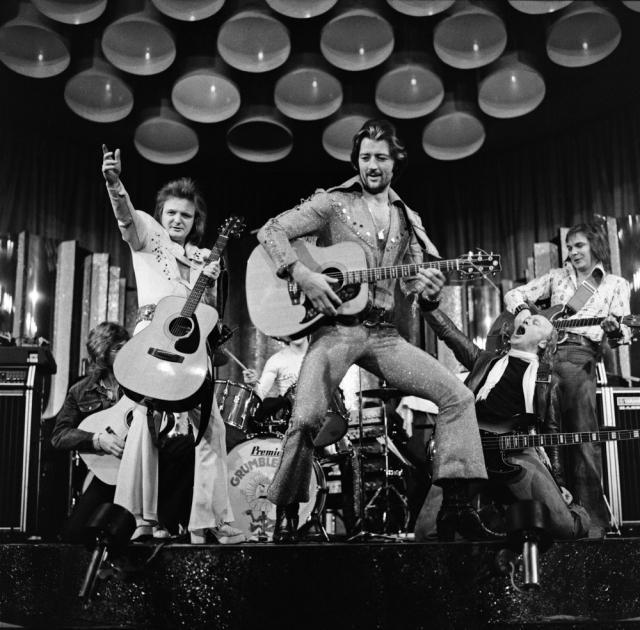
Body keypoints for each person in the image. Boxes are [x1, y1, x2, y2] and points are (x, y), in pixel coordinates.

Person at [256, 118, 491, 542]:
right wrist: (303, 275)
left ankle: (455, 510)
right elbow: (271, 231)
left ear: (395, 162)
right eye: (365, 157)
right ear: (357, 161)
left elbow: (416, 288)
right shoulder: (332, 203)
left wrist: (430, 292)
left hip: (384, 336)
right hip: (336, 331)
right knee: (306, 417)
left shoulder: (408, 219)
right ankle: (287, 513)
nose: (372, 165)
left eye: (381, 157)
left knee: (458, 396)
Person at [101, 146, 244, 544]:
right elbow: (125, 217)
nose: (178, 219)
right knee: (144, 425)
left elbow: (207, 317)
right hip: (151, 341)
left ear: (196, 221)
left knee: (211, 425)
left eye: (186, 214)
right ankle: (140, 519)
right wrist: (114, 183)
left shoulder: (202, 259)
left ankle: (205, 522)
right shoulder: (147, 238)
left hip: (187, 352)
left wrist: (212, 279)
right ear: (160, 214)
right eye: (172, 212)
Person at [415, 308, 591, 540]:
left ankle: (579, 515)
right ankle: (484, 535)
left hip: (517, 452)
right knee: (426, 532)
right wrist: (428, 304)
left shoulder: (548, 380)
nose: (528, 319)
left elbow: (551, 432)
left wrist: (558, 483)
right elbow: (449, 333)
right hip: (470, 452)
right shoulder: (484, 360)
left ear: (543, 342)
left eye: (536, 322)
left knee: (565, 527)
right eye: (527, 318)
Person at [504, 222, 631, 538]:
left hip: (579, 356)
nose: (572, 252)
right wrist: (523, 312)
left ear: (595, 246)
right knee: (535, 434)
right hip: (543, 355)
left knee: (582, 436)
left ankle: (593, 521)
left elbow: (623, 334)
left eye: (579, 245)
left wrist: (616, 330)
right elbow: (514, 294)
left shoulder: (615, 284)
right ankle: (547, 515)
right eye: (569, 247)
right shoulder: (555, 277)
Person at [51, 322, 194, 541]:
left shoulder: (141, 380)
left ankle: (164, 522)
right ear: (101, 355)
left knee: (189, 447)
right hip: (111, 472)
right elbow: (59, 436)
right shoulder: (80, 391)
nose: (125, 351)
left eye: (127, 345)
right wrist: (98, 440)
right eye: (117, 348)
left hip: (150, 464)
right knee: (73, 535)